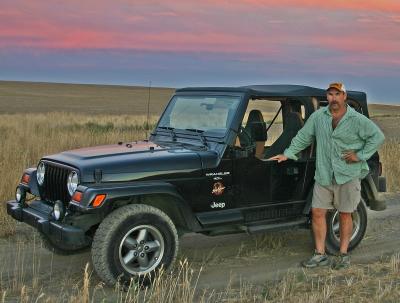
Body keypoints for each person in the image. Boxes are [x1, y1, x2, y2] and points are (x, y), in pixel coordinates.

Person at [269, 82, 385, 269]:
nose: (333, 98)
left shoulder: (356, 119)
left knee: (346, 215)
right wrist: (288, 153)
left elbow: (377, 136)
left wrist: (360, 155)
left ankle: (343, 255)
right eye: (330, 94)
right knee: (317, 212)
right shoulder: (318, 117)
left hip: (347, 175)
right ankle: (319, 254)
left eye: (337, 94)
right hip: (323, 175)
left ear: (344, 96)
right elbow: (303, 137)